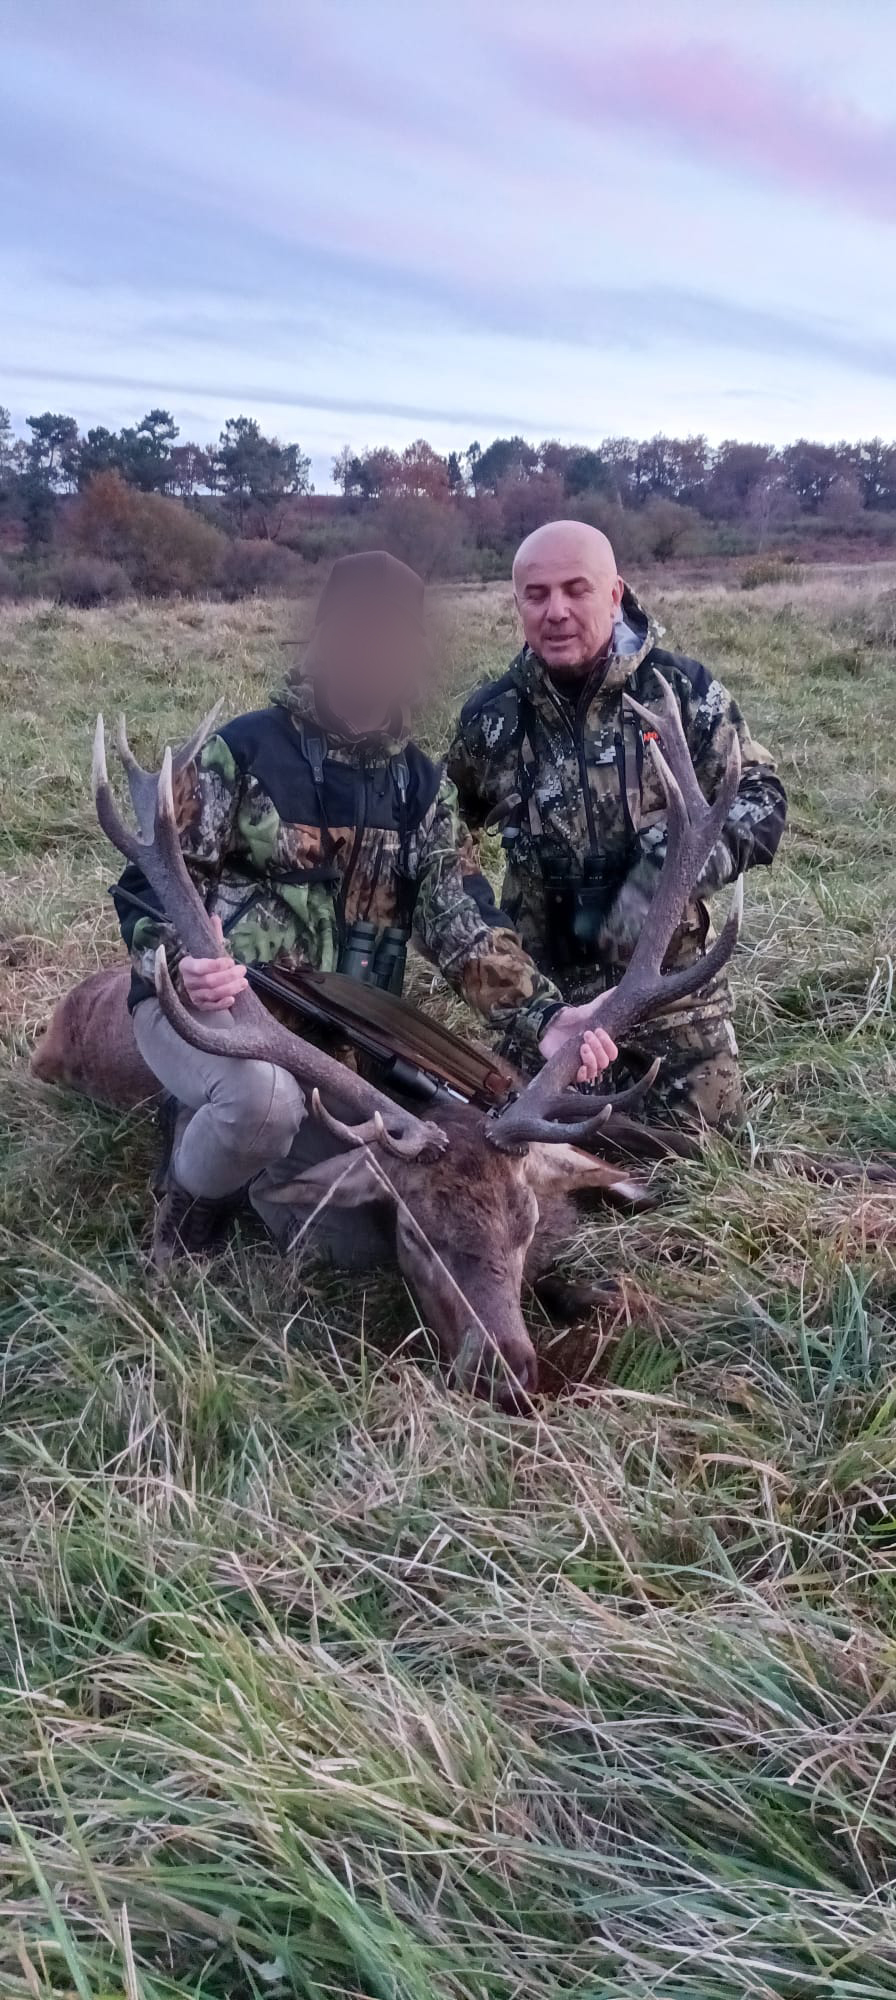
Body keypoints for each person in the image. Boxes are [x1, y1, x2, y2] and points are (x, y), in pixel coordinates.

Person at [114, 550, 616, 1263]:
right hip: (207, 1012)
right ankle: (187, 1214)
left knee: (354, 1247)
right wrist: (184, 960)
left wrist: (545, 1016)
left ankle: (248, 1158)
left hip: (335, 1044)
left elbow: (461, 924)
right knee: (262, 1104)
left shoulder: (420, 789)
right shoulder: (240, 754)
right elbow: (148, 884)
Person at [446, 521, 787, 1133]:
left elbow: (761, 796)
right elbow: (446, 845)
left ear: (614, 594)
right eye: (536, 594)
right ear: (517, 603)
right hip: (546, 1005)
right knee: (510, 1150)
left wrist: (668, 869)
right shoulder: (490, 720)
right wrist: (510, 984)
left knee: (703, 1162)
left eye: (576, 589)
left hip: (669, 999)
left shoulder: (681, 692)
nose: (555, 611)